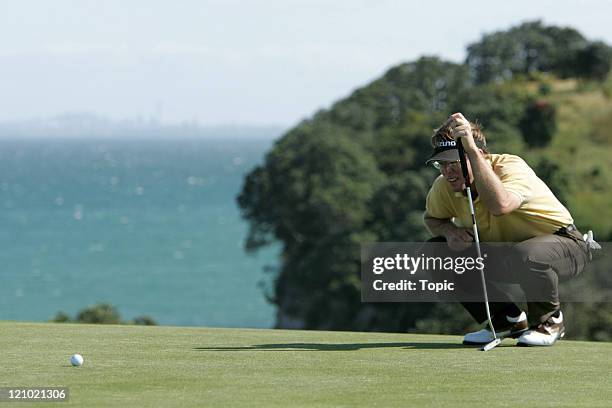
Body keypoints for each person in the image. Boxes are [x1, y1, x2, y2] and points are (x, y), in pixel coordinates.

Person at [423, 112, 594, 347]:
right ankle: (506, 319)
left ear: (480, 155)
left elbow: (500, 206)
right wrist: (449, 232)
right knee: (435, 252)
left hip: (566, 246)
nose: (447, 172)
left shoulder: (511, 167)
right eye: (441, 164)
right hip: (508, 255)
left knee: (526, 254)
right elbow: (432, 219)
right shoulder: (445, 186)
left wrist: (471, 152)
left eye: (453, 163)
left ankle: (549, 321)